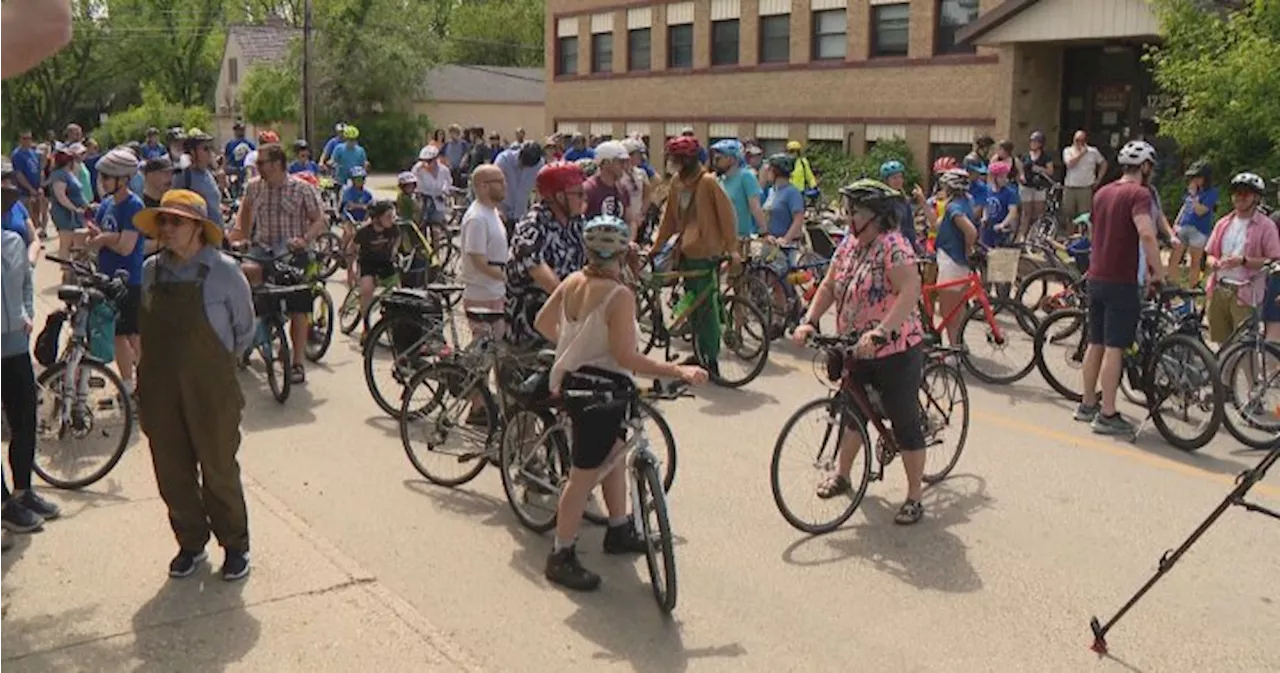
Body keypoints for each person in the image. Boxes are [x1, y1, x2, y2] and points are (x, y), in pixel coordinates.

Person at [534, 215, 708, 591]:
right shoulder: (618, 295)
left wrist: (573, 347)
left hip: (576, 384)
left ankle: (618, 527)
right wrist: (678, 370)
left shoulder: (572, 282)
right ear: (623, 250)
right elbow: (627, 356)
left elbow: (543, 323)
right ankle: (561, 554)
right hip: (602, 390)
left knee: (613, 457)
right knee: (581, 479)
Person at [132, 189, 255, 581]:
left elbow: (244, 329)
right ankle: (190, 542)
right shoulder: (152, 270)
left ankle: (235, 545)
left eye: (176, 222)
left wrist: (214, 367)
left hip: (211, 388)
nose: (166, 229)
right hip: (160, 386)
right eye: (162, 221)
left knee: (218, 468)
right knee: (171, 469)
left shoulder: (223, 271)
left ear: (198, 228)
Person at [792, 179, 928, 525]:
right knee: (853, 412)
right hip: (854, 346)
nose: (848, 219)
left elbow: (910, 290)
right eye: (848, 211)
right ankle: (843, 475)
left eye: (854, 213)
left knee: (904, 420)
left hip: (894, 348)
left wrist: (883, 331)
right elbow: (829, 285)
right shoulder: (849, 246)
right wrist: (809, 320)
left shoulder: (894, 247)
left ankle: (914, 496)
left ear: (876, 217)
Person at [1077, 140, 1164, 435]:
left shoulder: (1102, 193)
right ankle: (1108, 413)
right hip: (1121, 280)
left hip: (1096, 275)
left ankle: (1087, 403)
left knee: (1096, 342)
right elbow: (1147, 234)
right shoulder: (1138, 194)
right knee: (1115, 347)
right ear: (1146, 167)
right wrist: (1158, 272)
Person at [232, 143, 327, 384]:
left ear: (277, 164)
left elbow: (319, 221)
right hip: (263, 250)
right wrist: (237, 242)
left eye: (262, 163)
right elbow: (242, 224)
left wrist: (304, 239)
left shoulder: (301, 189)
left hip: (293, 254)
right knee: (247, 284)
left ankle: (297, 363)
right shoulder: (253, 188)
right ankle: (250, 337)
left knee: (298, 306)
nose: (258, 167)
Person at [651, 136, 737, 376]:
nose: (674, 164)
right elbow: (668, 219)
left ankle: (711, 359)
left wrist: (732, 249)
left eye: (677, 159)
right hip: (686, 253)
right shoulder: (678, 182)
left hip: (706, 253)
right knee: (694, 307)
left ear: (687, 159)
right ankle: (699, 352)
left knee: (707, 308)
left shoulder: (708, 182)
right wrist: (657, 247)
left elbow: (727, 218)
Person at [0, 224, 59, 536]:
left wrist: (27, 313)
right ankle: (3, 505)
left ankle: (23, 492)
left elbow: (25, 283)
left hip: (15, 348)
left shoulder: (11, 241)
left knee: (24, 420)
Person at [505, 162, 589, 346]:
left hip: (564, 323)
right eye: (578, 194)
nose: (583, 199)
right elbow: (542, 274)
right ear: (559, 197)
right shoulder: (532, 226)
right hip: (530, 330)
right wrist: (576, 308)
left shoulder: (576, 223)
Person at [86, 149, 147, 395]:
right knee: (119, 335)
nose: (103, 182)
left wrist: (105, 238)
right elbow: (99, 235)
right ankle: (127, 385)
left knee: (133, 335)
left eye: (107, 177)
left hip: (129, 280)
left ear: (123, 179)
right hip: (107, 279)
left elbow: (126, 246)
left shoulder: (134, 206)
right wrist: (94, 236)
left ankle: (146, 383)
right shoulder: (107, 205)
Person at [1202, 172, 1280, 345]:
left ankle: (1250, 374)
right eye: (1236, 193)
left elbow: (1274, 260)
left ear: (1256, 197)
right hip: (1219, 289)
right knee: (1222, 345)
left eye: (1245, 193)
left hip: (1246, 293)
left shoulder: (1266, 226)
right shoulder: (1223, 223)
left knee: (1245, 348)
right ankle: (1224, 373)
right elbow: (1209, 254)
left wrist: (1244, 261)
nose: (1239, 197)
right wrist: (1213, 262)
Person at [459, 164, 508, 338]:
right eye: (499, 181)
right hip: (482, 294)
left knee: (497, 349)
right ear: (483, 186)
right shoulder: (477, 218)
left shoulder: (492, 212)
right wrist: (506, 277)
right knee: (483, 355)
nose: (505, 185)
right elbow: (478, 260)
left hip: (495, 292)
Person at [933, 169, 979, 344]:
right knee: (958, 309)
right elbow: (938, 225)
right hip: (959, 262)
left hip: (951, 260)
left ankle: (953, 349)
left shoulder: (954, 207)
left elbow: (970, 231)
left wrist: (969, 247)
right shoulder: (967, 201)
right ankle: (959, 343)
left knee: (948, 310)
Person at [351, 200, 400, 340]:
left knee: (396, 291)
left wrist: (394, 250)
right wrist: (352, 270)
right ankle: (366, 328)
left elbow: (398, 238)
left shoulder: (393, 228)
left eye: (393, 216)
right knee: (367, 290)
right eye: (388, 216)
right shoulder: (364, 232)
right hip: (368, 263)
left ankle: (390, 321)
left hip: (385, 262)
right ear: (377, 218)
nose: (392, 219)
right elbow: (352, 248)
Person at [1169, 161, 1218, 289]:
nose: (1195, 180)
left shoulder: (1211, 193)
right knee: (1174, 258)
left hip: (1199, 230)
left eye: (1198, 177)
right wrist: (1176, 223)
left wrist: (1195, 195)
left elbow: (1200, 211)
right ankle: (1171, 286)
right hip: (1183, 226)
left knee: (1194, 263)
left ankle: (1192, 289)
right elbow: (1185, 206)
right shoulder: (1192, 191)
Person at [170, 129, 226, 235]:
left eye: (210, 148)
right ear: (192, 152)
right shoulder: (183, 176)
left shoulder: (208, 173)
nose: (210, 153)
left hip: (217, 234)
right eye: (205, 149)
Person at [711, 139, 766, 242]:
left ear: (732, 159)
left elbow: (755, 206)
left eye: (719, 158)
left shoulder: (746, 177)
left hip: (739, 239)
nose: (715, 162)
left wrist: (764, 231)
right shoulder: (719, 180)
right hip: (718, 239)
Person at [48, 145, 87, 266]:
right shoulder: (59, 175)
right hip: (64, 214)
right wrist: (74, 209)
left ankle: (73, 270)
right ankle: (66, 273)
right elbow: (61, 196)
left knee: (76, 243)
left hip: (74, 214)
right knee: (66, 244)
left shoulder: (68, 173)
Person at [1062, 130, 1108, 233]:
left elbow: (1103, 163)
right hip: (1070, 187)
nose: (1079, 143)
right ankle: (1070, 236)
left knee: (1084, 216)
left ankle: (1082, 238)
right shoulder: (1068, 150)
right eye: (1077, 140)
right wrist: (1081, 154)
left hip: (1085, 187)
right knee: (1069, 214)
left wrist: (1099, 179)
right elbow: (1070, 164)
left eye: (1081, 140)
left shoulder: (1093, 152)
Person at [582, 141, 633, 229]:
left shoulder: (623, 189)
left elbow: (630, 221)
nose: (623, 166)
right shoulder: (589, 189)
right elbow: (578, 219)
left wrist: (630, 240)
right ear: (606, 163)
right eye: (620, 162)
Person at [1017, 130, 1056, 240]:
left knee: (1039, 212)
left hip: (1039, 187)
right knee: (1026, 213)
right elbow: (1019, 164)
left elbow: (1050, 171)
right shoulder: (1025, 155)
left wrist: (1039, 169)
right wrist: (1022, 175)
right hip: (1026, 187)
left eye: (1036, 142)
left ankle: (1036, 235)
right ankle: (1022, 236)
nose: (1033, 143)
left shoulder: (1045, 157)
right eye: (1032, 141)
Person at [496, 141, 545, 228]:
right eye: (522, 163)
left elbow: (539, 188)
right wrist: (499, 209)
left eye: (528, 166)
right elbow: (493, 185)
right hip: (502, 214)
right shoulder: (503, 160)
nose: (524, 167)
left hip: (521, 215)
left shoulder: (539, 164)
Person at [0, 162, 41, 266]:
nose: (4, 183)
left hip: (21, 267)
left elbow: (34, 239)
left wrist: (29, 261)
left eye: (6, 179)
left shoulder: (17, 206)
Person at [879, 160, 925, 252]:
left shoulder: (904, 201)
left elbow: (909, 226)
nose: (899, 180)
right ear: (886, 180)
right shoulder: (880, 200)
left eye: (900, 177)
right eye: (894, 178)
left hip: (902, 245)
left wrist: (914, 246)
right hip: (884, 245)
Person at [762, 154, 805, 246]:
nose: (767, 172)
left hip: (787, 247)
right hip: (771, 243)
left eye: (769, 169)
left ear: (777, 172)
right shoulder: (772, 191)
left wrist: (786, 239)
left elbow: (798, 219)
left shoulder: (792, 193)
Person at [10, 131, 46, 239]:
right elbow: (19, 174)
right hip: (24, 192)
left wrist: (40, 186)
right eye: (24, 138)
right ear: (20, 140)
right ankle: (29, 239)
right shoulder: (17, 155)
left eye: (29, 138)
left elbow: (40, 170)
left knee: (37, 214)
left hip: (36, 190)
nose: (27, 141)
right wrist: (30, 188)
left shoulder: (33, 153)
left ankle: (36, 237)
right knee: (27, 216)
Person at [982, 161, 1021, 249]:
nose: (1005, 179)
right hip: (989, 227)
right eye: (1001, 177)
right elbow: (986, 206)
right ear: (994, 177)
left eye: (1005, 176)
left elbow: (1013, 212)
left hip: (1002, 229)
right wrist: (985, 217)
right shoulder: (987, 190)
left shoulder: (1010, 193)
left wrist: (1003, 224)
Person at [412, 145, 452, 229]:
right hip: (423, 199)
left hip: (438, 199)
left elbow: (448, 182)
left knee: (437, 226)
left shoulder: (443, 170)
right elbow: (412, 183)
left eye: (429, 161)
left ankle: (437, 240)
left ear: (436, 159)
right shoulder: (418, 169)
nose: (426, 163)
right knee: (421, 224)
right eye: (424, 161)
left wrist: (445, 191)